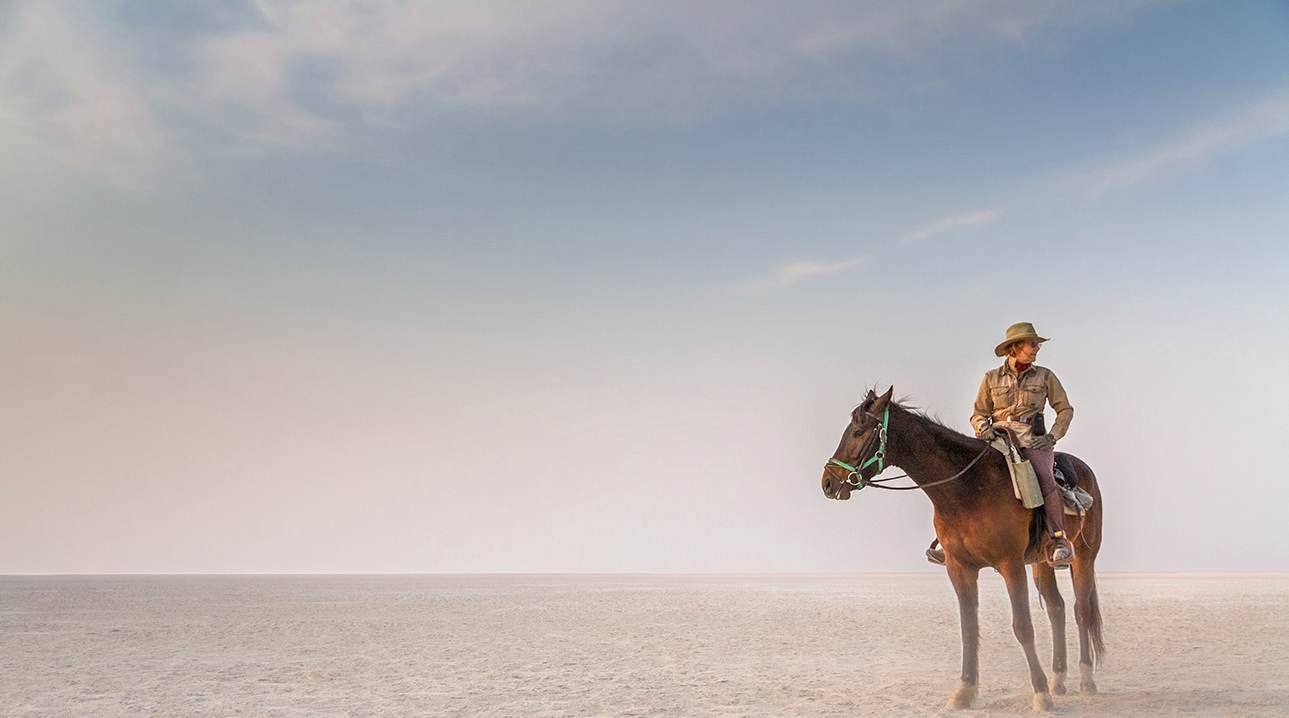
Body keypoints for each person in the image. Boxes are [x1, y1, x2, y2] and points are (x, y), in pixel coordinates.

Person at [926, 322, 1075, 567]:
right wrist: (982, 427)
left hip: (1031, 438)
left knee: (1044, 477)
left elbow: (1065, 410)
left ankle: (1059, 540)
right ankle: (950, 542)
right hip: (996, 438)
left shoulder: (1045, 376)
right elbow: (978, 413)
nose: (1037, 348)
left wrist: (1051, 437)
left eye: (1037, 344)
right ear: (1015, 347)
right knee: (965, 477)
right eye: (1032, 343)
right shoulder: (991, 378)